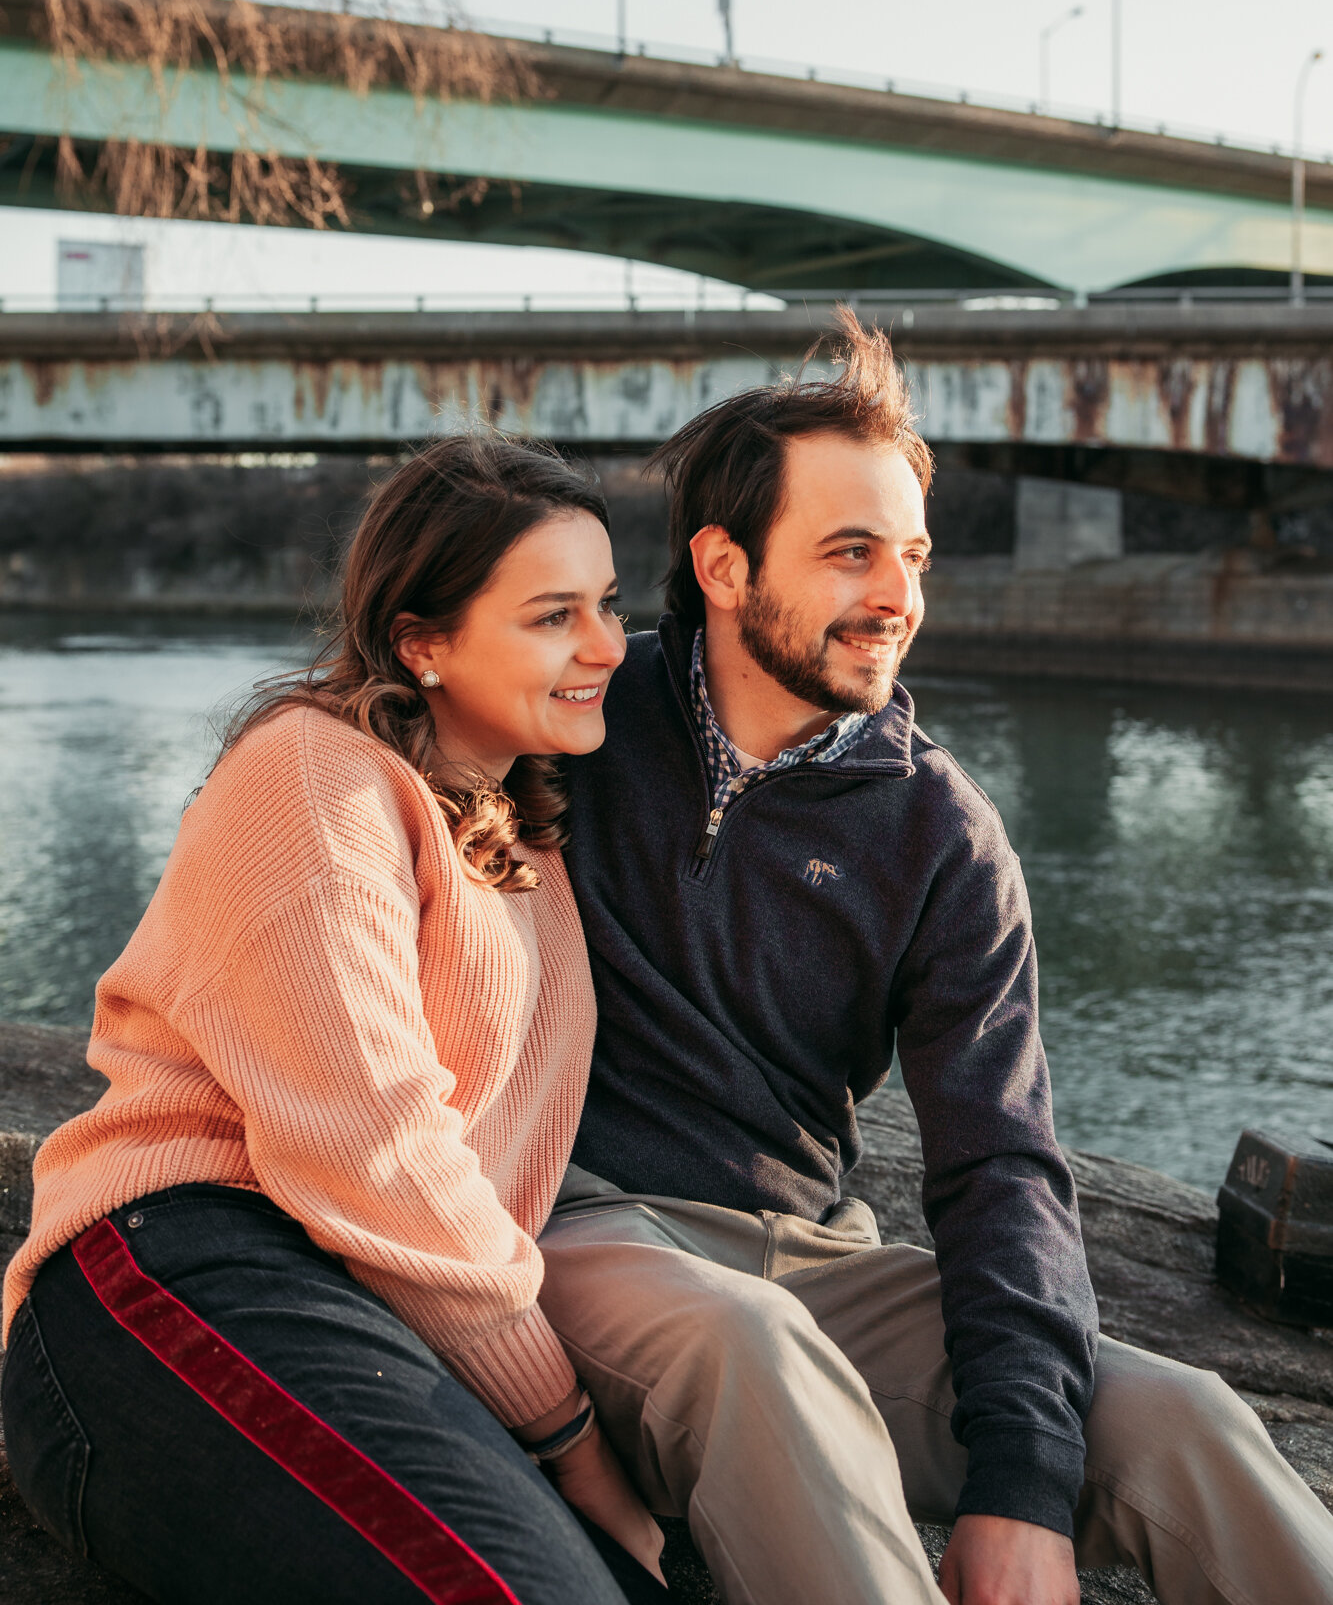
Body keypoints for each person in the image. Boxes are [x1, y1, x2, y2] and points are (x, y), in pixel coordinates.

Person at [540, 312, 1333, 1605]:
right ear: (725, 566)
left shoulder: (941, 831)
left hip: (809, 1256)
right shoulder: (575, 719)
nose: (900, 598)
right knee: (757, 1354)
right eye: (851, 553)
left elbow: (1000, 1167)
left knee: (1180, 1421)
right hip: (582, 1225)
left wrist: (1023, 1485)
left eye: (912, 555)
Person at [1, 434, 666, 1605]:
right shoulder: (319, 772)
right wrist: (571, 1436)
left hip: (364, 1310)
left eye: (608, 603)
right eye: (554, 614)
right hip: (176, 1270)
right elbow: (376, 1150)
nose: (608, 645)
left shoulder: (517, 827)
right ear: (423, 642)